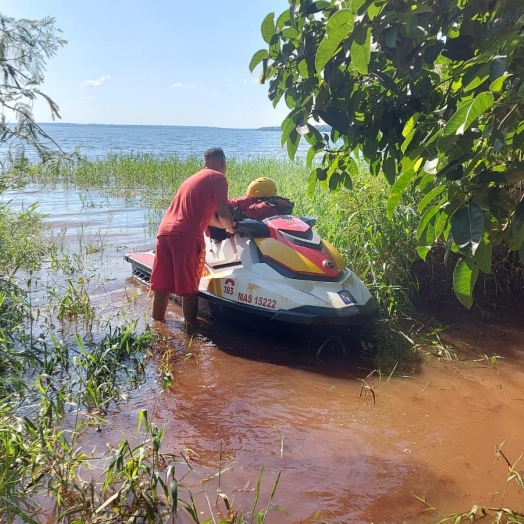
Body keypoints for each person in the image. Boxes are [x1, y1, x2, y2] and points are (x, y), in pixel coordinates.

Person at [150, 147, 235, 325]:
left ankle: (157, 327)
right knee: (189, 289)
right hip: (186, 237)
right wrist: (232, 230)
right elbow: (223, 213)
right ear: (223, 163)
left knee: (162, 287)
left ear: (205, 162)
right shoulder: (219, 178)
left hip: (164, 233)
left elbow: (210, 218)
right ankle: (191, 332)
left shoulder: (192, 179)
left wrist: (223, 225)